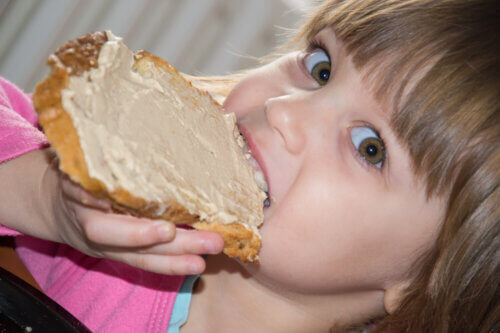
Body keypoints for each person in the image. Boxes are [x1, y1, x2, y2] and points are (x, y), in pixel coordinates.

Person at [0, 0, 498, 331]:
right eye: (321, 68)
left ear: (429, 282)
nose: (284, 109)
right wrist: (38, 195)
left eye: (370, 148)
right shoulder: (110, 201)